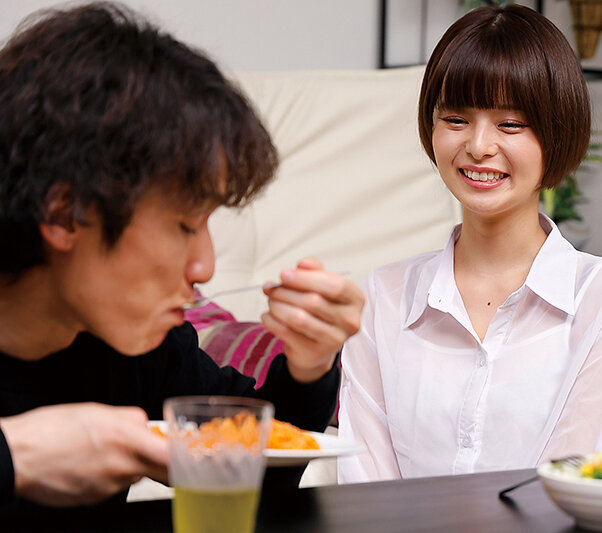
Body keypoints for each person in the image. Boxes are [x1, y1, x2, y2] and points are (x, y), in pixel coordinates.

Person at [0, 2, 363, 510]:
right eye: (186, 225)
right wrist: (17, 457)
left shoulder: (136, 344)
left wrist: (309, 365)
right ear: (64, 213)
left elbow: (254, 472)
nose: (205, 267)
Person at [338, 4, 602, 483]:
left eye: (510, 124)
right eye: (456, 119)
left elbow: (569, 484)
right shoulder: (382, 297)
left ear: (557, 133)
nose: (479, 146)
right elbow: (363, 484)